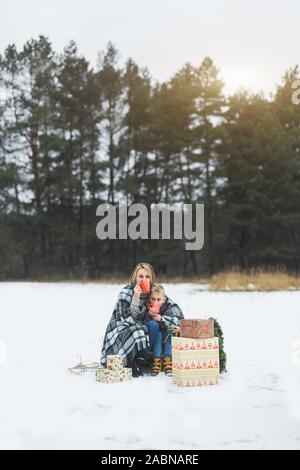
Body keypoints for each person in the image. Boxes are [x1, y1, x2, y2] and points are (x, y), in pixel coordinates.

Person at [100, 263, 155, 377]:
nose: (143, 279)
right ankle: (130, 362)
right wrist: (135, 297)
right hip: (120, 328)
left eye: (147, 276)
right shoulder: (126, 292)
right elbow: (127, 318)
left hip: (140, 326)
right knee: (138, 330)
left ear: (151, 279)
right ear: (135, 278)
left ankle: (145, 360)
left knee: (151, 326)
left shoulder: (154, 292)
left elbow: (170, 306)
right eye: (140, 276)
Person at [145, 284, 184, 377]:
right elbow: (143, 320)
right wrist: (149, 315)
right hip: (157, 332)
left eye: (158, 300)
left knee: (169, 331)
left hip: (169, 330)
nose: (156, 301)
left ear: (164, 299)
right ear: (149, 299)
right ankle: (156, 360)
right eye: (153, 299)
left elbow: (178, 320)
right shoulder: (147, 306)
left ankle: (168, 360)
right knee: (159, 332)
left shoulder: (170, 306)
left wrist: (162, 319)